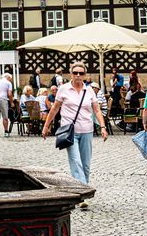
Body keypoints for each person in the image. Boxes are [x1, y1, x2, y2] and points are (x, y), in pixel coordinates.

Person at [42, 61, 108, 205]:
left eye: (81, 73)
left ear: (85, 75)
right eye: (75, 73)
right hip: (69, 132)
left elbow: (96, 110)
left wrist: (102, 127)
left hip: (87, 130)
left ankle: (81, 188)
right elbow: (54, 109)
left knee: (85, 164)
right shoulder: (63, 89)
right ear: (71, 74)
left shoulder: (89, 90)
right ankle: (82, 194)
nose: (78, 75)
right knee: (76, 161)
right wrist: (46, 126)